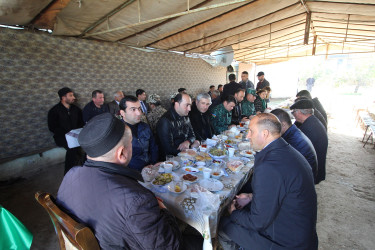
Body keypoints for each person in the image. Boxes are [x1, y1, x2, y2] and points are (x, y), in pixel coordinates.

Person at [56, 113, 182, 249]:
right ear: (121, 153)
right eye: (131, 144)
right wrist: (164, 211)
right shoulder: (138, 201)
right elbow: (170, 247)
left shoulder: (70, 174)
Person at [218, 113, 318, 249]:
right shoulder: (286, 151)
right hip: (297, 230)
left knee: (224, 225)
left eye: (251, 131)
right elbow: (282, 191)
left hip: (286, 242)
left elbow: (257, 222)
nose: (248, 136)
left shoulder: (269, 166)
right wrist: (252, 197)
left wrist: (234, 213)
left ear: (265, 134)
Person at [271, 109, 318, 181]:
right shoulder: (292, 132)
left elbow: (281, 166)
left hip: (302, 182)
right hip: (302, 176)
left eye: (272, 127)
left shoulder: (293, 141)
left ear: (283, 125)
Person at [290, 99, 328, 184]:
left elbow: (295, 151)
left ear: (299, 112)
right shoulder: (312, 121)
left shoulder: (309, 128)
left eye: (293, 112)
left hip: (311, 171)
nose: (293, 115)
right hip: (314, 166)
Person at [48, 87, 84, 174]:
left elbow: (81, 123)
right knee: (72, 148)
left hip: (76, 135)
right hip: (62, 137)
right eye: (71, 95)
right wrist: (68, 134)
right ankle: (68, 172)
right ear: (63, 98)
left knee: (87, 144)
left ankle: (85, 166)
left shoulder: (76, 109)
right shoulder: (54, 111)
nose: (74, 97)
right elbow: (52, 127)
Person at [119, 96, 158, 172]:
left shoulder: (145, 127)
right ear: (122, 113)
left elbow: (153, 148)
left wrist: (153, 164)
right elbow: (117, 160)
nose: (139, 113)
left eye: (139, 108)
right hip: (131, 174)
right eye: (133, 109)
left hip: (150, 169)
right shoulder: (117, 131)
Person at [157, 93, 199, 158]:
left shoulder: (186, 116)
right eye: (187, 105)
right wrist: (189, 149)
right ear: (177, 104)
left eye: (190, 105)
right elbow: (168, 149)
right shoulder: (165, 121)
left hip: (185, 154)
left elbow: (193, 135)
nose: (189, 109)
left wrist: (188, 142)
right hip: (171, 159)